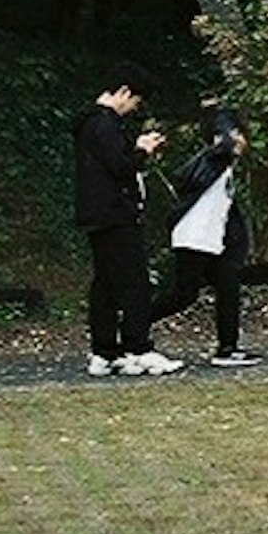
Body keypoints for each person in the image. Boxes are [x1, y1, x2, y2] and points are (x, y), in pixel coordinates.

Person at [71, 64, 181, 378]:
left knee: (105, 284)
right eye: (135, 101)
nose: (134, 108)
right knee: (136, 282)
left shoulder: (89, 124)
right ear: (123, 92)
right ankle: (139, 348)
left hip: (97, 214)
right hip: (116, 214)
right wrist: (142, 150)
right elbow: (121, 167)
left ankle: (104, 352)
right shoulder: (104, 125)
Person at [143, 101, 265, 367]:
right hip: (195, 236)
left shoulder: (224, 168)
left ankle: (227, 348)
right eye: (239, 135)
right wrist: (224, 126)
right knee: (184, 294)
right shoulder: (214, 160)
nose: (243, 142)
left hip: (211, 238)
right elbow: (222, 139)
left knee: (228, 285)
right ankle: (132, 325)